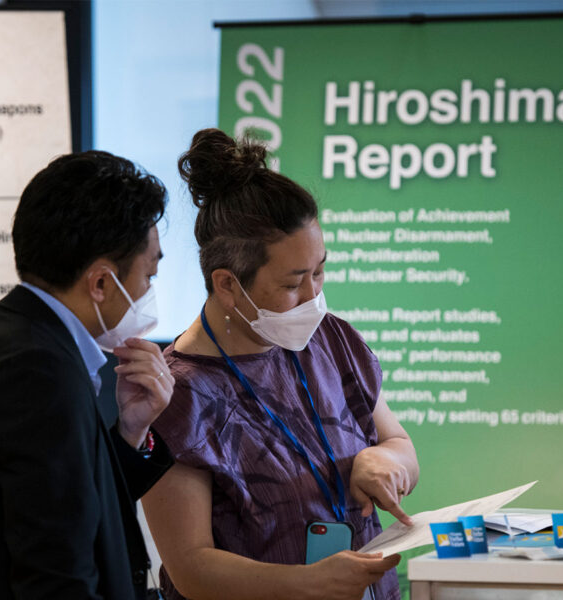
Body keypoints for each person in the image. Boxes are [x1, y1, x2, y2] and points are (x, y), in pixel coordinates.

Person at [142, 129, 419, 600]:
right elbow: (190, 567)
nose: (314, 295)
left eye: (320, 271)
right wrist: (305, 585)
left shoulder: (331, 340)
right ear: (228, 285)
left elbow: (398, 441)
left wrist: (385, 461)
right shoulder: (178, 395)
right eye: (293, 283)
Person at [0, 150, 175, 600]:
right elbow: (57, 576)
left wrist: (129, 432)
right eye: (149, 273)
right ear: (101, 283)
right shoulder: (37, 373)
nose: (149, 292)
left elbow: (71, 511)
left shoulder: (0, 344)